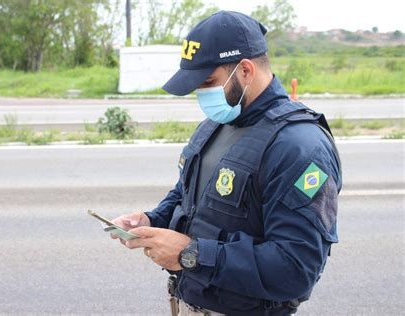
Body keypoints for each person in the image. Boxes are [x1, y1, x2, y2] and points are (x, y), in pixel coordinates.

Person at [112, 10, 342, 316]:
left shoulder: (298, 147)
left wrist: (189, 254)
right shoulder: (217, 124)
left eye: (208, 81)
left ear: (245, 70)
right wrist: (152, 220)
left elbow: (296, 269)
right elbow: (188, 195)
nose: (201, 94)